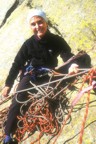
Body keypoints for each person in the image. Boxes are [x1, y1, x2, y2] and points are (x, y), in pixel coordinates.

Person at [1, 9, 91, 144]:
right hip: (32, 76)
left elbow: (66, 54)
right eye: (33, 24)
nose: (37, 27)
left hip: (51, 74)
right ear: (30, 26)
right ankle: (8, 136)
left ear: (46, 22)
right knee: (18, 99)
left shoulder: (56, 40)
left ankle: (93, 81)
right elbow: (17, 64)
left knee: (83, 57)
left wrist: (72, 65)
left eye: (40, 22)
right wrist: (8, 84)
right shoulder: (28, 44)